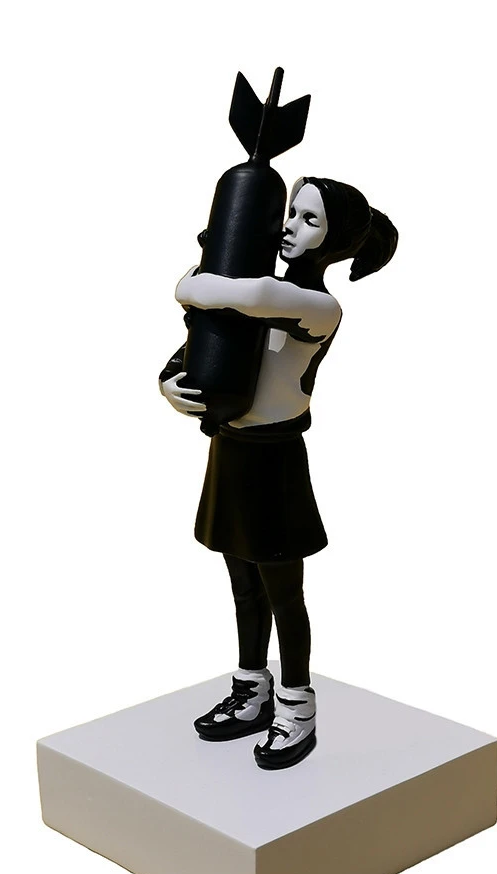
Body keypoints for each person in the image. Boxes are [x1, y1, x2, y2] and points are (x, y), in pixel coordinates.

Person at [159, 177, 397, 769]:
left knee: (284, 592)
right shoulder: (251, 294)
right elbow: (201, 331)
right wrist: (171, 382)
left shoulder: (315, 306)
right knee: (242, 581)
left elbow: (204, 290)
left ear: (336, 241)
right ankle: (252, 686)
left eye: (309, 219)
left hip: (275, 458)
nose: (289, 224)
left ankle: (297, 703)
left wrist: (221, 249)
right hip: (230, 446)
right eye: (292, 210)